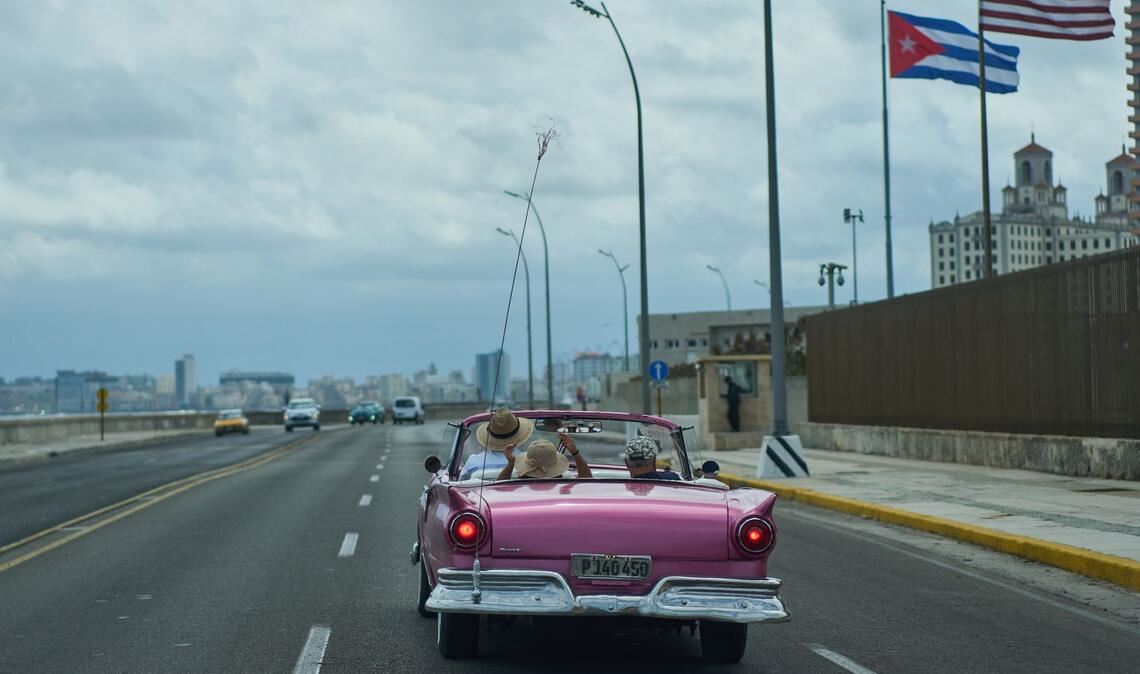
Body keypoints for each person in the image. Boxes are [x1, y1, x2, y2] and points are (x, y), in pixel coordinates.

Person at [459, 407, 534, 480]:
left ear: (489, 434)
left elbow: (461, 484)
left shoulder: (474, 462)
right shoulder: (529, 462)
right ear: (518, 436)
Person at [496, 435, 593, 480]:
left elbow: (499, 489)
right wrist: (575, 453)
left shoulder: (516, 485)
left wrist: (511, 463)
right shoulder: (566, 482)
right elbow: (587, 481)